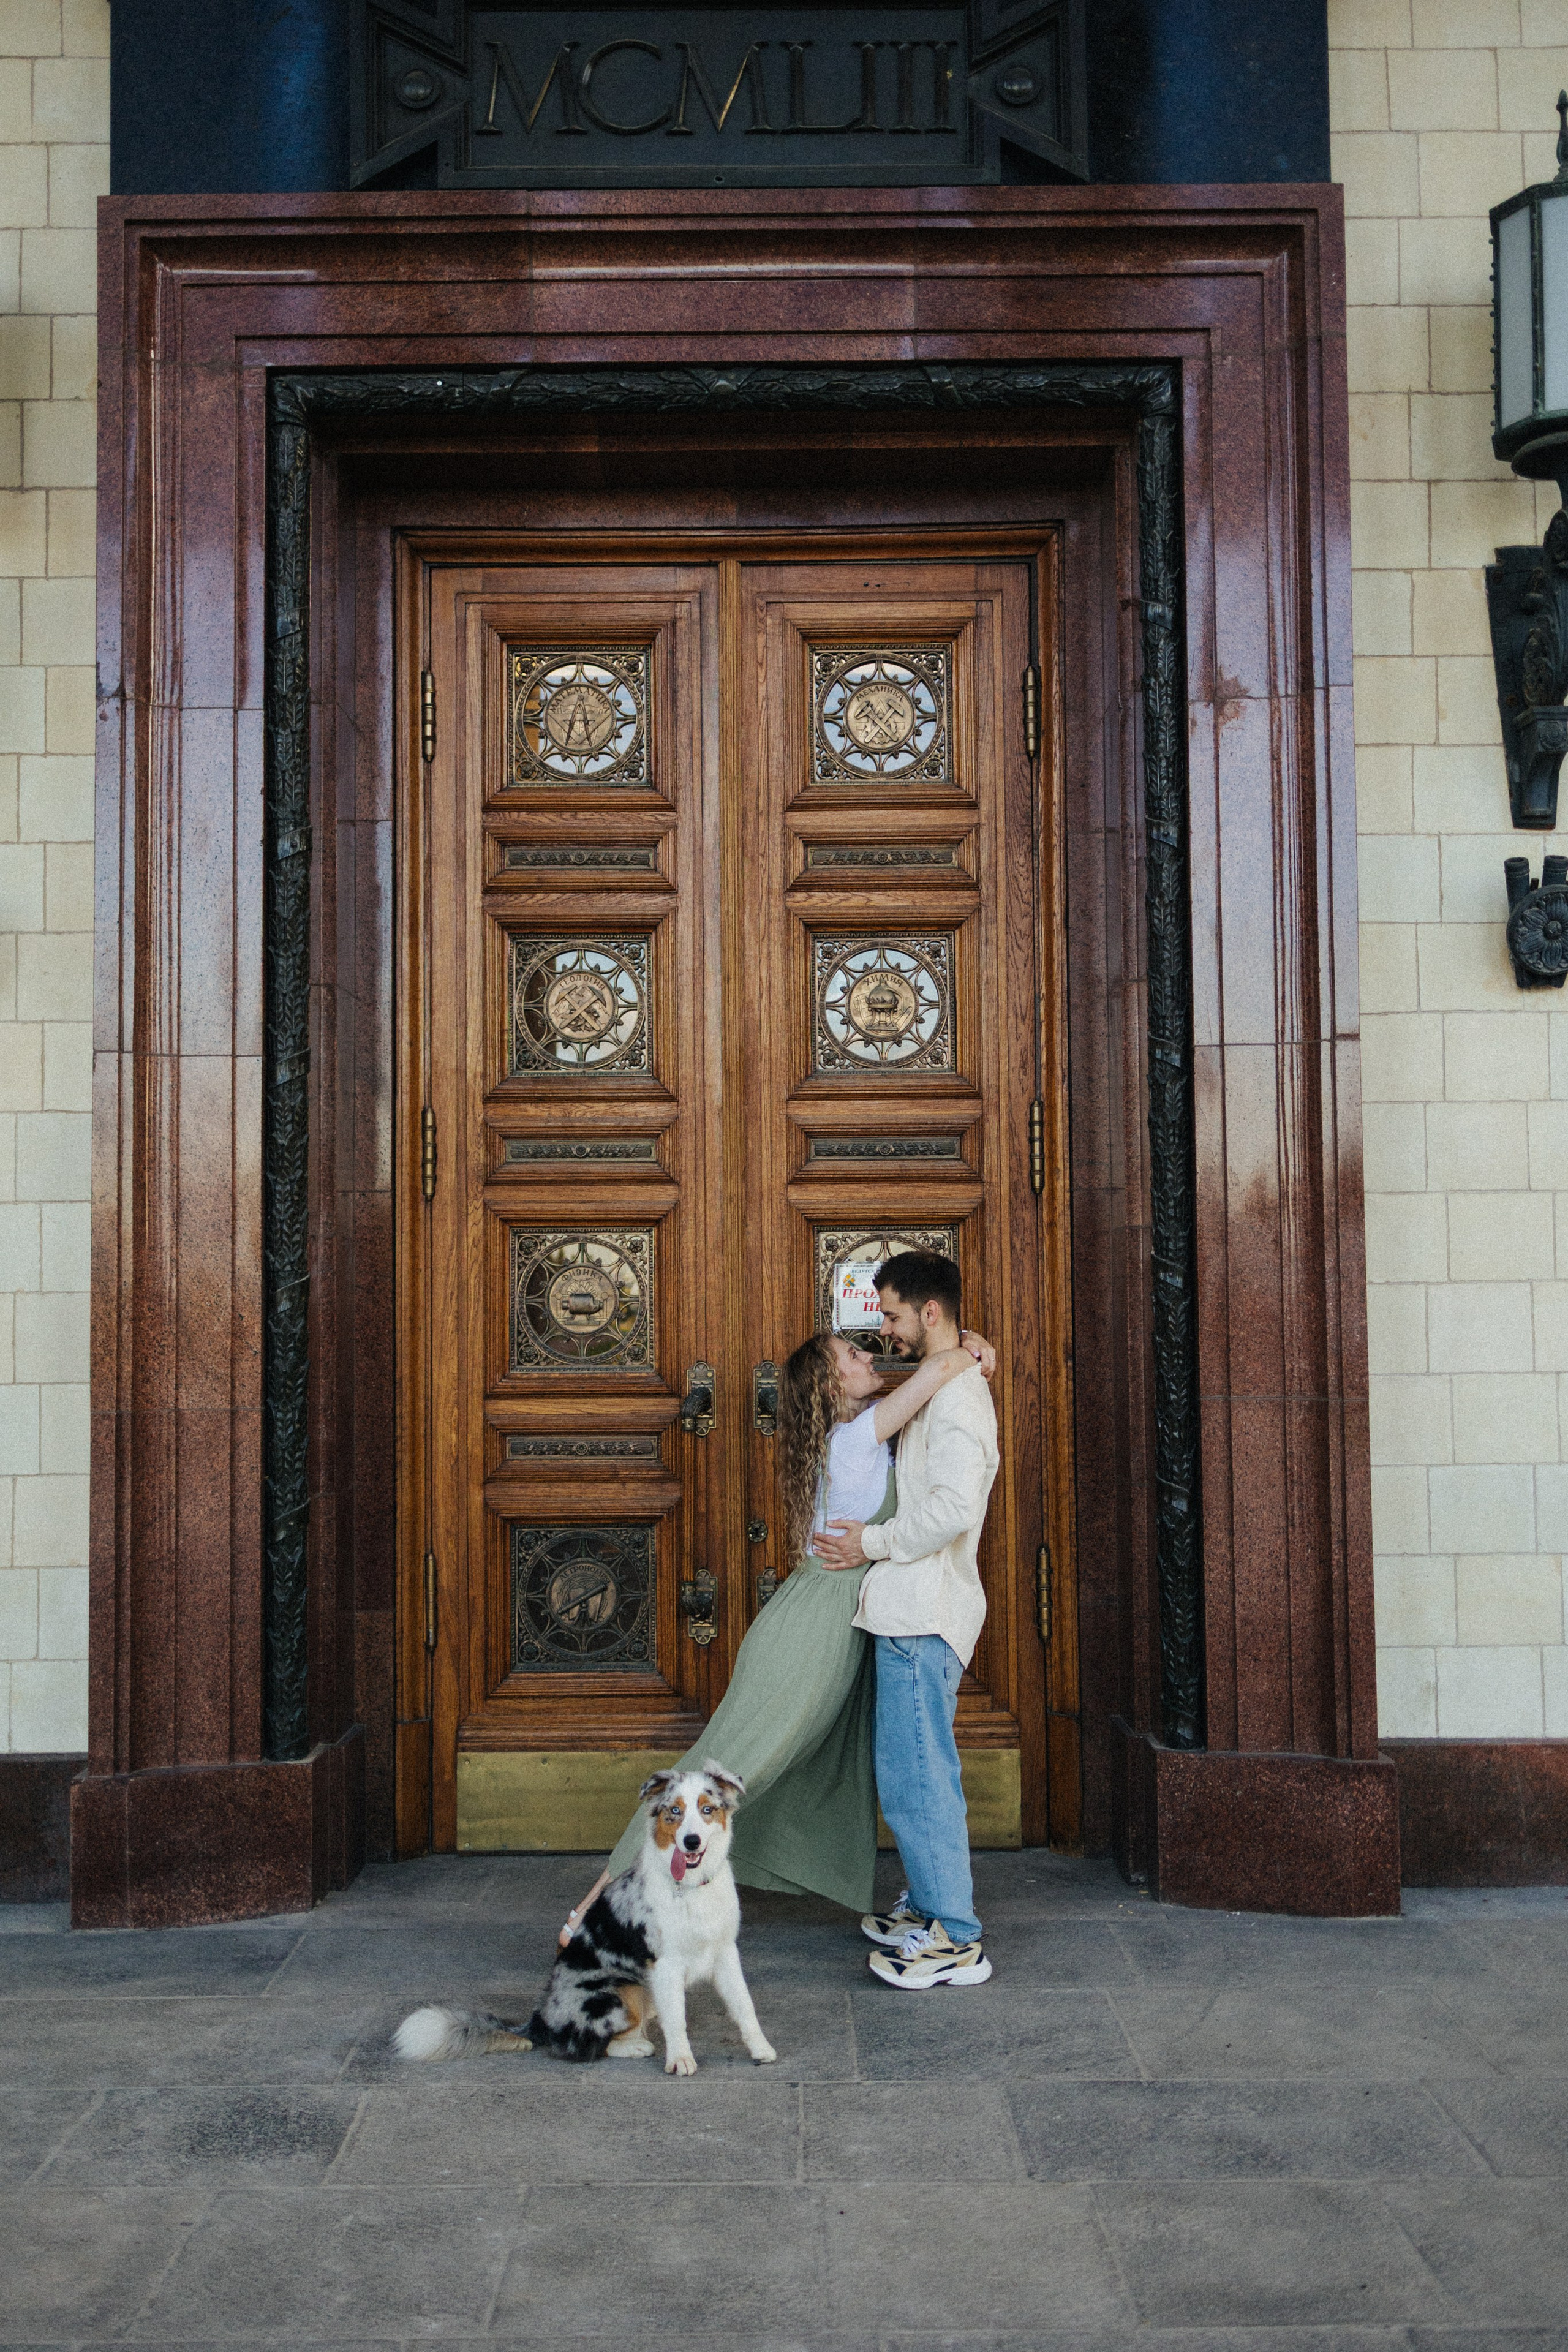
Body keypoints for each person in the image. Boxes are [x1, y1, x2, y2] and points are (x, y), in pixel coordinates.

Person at [559, 1319, 995, 1944]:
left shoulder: (868, 1432)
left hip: (833, 1622)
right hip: (810, 1630)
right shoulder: (853, 1439)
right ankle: (592, 1915)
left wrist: (970, 1341)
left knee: (774, 1766)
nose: (869, 1355)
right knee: (723, 1768)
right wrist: (968, 1347)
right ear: (829, 1383)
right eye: (853, 1353)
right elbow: (937, 1369)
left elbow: (941, 1364)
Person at [814, 1250, 1000, 1990]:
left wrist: (873, 1542)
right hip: (906, 1613)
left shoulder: (958, 1397)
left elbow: (955, 1509)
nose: (882, 1330)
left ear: (928, 1313)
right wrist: (971, 1345)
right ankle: (930, 1909)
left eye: (890, 1315)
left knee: (921, 1779)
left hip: (926, 1615)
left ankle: (955, 1938)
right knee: (907, 1775)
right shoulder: (948, 1376)